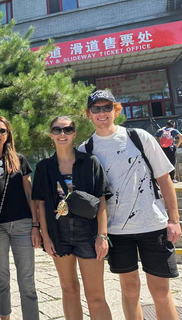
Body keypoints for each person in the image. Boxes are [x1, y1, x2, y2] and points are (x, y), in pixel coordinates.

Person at [79, 89, 182, 320]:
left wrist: (174, 220)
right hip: (117, 230)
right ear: (89, 114)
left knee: (161, 292)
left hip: (152, 224)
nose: (102, 113)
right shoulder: (86, 150)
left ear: (116, 110)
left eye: (107, 107)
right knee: (130, 289)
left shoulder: (139, 137)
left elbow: (164, 177)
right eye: (96, 109)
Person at [32, 116, 113, 320]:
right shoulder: (44, 167)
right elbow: (41, 202)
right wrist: (46, 237)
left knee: (95, 296)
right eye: (57, 130)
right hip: (59, 234)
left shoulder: (90, 162)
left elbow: (102, 199)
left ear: (74, 134)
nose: (62, 134)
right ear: (51, 134)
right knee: (69, 290)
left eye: (67, 130)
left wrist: (102, 236)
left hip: (88, 233)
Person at [0, 116, 41, 320]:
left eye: (3, 131)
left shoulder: (19, 159)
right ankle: (4, 317)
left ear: (8, 135)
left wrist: (36, 225)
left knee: (27, 279)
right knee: (1, 278)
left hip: (23, 224)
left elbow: (29, 193)